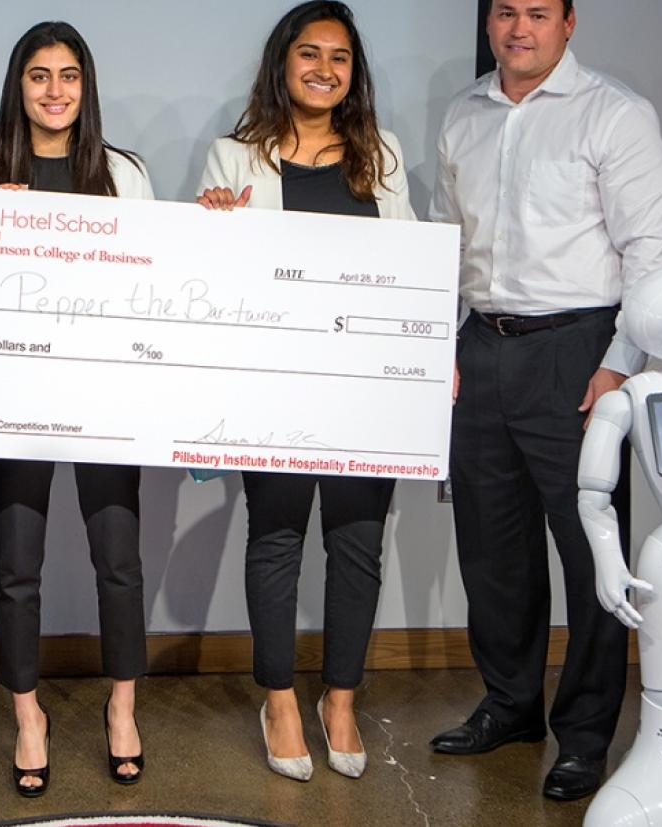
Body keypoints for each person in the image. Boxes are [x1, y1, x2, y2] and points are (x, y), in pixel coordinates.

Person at [427, 0, 662, 802]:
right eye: (505, 11)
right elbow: (445, 236)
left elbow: (649, 252)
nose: (518, 27)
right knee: (491, 549)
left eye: (538, 12)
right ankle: (510, 705)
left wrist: (619, 364)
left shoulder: (616, 114)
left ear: (571, 23)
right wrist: (439, 344)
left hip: (579, 351)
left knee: (591, 551)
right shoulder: (464, 113)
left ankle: (586, 733)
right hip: (480, 346)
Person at [197, 0, 413, 782]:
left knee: (358, 542)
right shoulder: (235, 156)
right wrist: (209, 222)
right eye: (310, 54)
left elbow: (409, 270)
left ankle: (341, 699)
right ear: (282, 64)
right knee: (278, 535)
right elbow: (209, 276)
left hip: (364, 388)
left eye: (340, 58)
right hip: (274, 386)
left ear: (353, 75)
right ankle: (282, 698)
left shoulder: (380, 153)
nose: (325, 69)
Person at [0, 21, 153, 796]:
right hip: (15, 399)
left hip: (106, 397)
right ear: (18, 86)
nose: (55, 90)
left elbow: (154, 281)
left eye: (69, 75)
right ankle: (29, 717)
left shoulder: (124, 173)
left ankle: (123, 707)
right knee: (18, 566)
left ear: (87, 85)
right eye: (39, 75)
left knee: (119, 559)